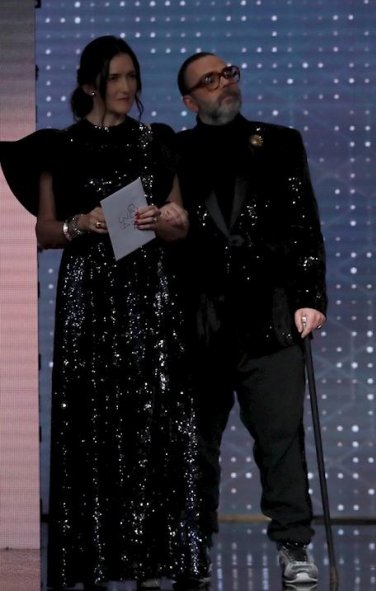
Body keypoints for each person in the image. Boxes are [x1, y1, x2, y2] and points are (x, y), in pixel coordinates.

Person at [0, 36, 209, 589]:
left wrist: (163, 218)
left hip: (149, 290)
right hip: (89, 293)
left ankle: (153, 560)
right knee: (92, 419)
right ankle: (93, 558)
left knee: (156, 414)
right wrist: (81, 224)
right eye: (115, 78)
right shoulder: (59, 146)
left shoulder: (156, 143)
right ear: (91, 83)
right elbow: (46, 232)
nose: (125, 88)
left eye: (132, 78)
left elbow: (182, 222)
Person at [173, 52, 328, 586]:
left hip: (270, 314)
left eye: (229, 73)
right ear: (190, 100)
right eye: (210, 81)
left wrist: (312, 297)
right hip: (199, 320)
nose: (225, 84)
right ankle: (194, 546)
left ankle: (294, 545)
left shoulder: (279, 142)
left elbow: (305, 223)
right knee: (196, 442)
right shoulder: (175, 150)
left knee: (281, 437)